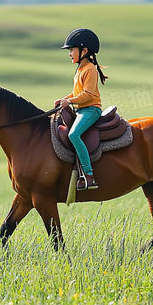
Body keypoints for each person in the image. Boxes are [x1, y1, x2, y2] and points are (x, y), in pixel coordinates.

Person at [54, 28, 109, 191]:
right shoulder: (80, 69)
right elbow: (76, 92)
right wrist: (64, 99)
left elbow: (87, 94)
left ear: (84, 50)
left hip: (90, 110)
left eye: (72, 50)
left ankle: (89, 175)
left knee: (74, 134)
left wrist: (69, 101)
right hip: (80, 110)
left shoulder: (90, 69)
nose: (70, 53)